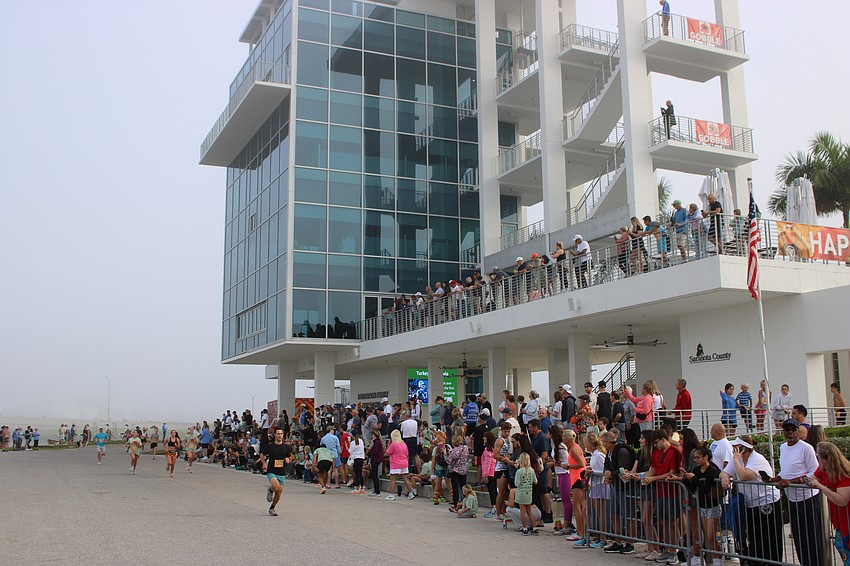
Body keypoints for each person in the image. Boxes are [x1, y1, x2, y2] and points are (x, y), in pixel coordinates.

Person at [720, 436, 783, 564]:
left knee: (769, 537)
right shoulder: (737, 460)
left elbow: (744, 475)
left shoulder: (756, 459)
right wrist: (725, 476)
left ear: (742, 450)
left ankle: (772, 562)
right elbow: (724, 472)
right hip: (749, 504)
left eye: (735, 448)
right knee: (754, 537)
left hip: (766, 502)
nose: (733, 450)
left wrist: (736, 461)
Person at [770, 418, 823, 566]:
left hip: (808, 499)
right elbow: (786, 470)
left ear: (798, 431)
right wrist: (776, 478)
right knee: (799, 539)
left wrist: (792, 482)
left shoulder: (806, 448)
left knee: (811, 539)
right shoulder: (782, 447)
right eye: (787, 430)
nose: (791, 433)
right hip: (792, 499)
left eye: (794, 430)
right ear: (783, 432)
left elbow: (814, 471)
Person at [671, 446, 723, 566]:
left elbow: (705, 489)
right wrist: (685, 479)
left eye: (698, 458)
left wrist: (693, 478)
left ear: (706, 457)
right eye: (695, 458)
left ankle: (718, 561)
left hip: (712, 506)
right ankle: (707, 559)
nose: (696, 460)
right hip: (702, 506)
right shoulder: (697, 470)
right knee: (705, 533)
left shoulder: (712, 470)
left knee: (711, 537)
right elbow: (694, 488)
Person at [642, 428, 682, 565]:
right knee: (663, 522)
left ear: (663, 439)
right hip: (660, 492)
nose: (655, 446)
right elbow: (652, 470)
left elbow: (671, 473)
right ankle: (667, 548)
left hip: (672, 492)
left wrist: (653, 479)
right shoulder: (657, 453)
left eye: (656, 442)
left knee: (672, 522)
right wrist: (639, 475)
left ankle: (675, 550)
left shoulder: (675, 452)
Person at [810, 441, 850, 559]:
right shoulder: (824, 469)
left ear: (825, 459)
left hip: (847, 519)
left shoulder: (845, 474)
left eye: (818, 456)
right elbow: (812, 478)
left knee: (844, 547)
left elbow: (842, 501)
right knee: (841, 546)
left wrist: (820, 486)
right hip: (839, 520)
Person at [259, 428, 292, 516]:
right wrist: (264, 463)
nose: (279, 435)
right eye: (278, 434)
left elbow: (290, 456)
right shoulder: (270, 446)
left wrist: (288, 459)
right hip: (272, 470)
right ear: (274, 435)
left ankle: (272, 508)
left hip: (281, 471)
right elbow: (262, 454)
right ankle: (270, 489)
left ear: (283, 435)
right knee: (275, 486)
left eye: (281, 434)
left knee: (279, 492)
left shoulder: (286, 447)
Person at [385, 429, 415, 501]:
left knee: (393, 479)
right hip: (404, 463)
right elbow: (407, 454)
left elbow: (387, 452)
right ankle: (411, 492)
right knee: (405, 479)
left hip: (395, 463)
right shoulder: (404, 444)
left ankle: (392, 495)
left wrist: (388, 444)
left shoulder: (393, 444)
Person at [513, 452, 538, 535]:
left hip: (521, 493)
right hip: (529, 493)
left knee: (522, 512)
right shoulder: (531, 470)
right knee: (529, 511)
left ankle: (524, 528)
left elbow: (517, 483)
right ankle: (534, 527)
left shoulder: (519, 471)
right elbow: (535, 481)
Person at [368, 425, 384, 497]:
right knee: (374, 474)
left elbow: (375, 451)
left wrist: (369, 452)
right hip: (375, 459)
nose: (372, 436)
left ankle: (377, 490)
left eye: (373, 435)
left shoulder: (377, 442)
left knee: (375, 475)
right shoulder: (376, 442)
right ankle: (376, 489)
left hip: (376, 459)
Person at [348, 429, 366, 494]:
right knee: (360, 472)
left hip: (356, 458)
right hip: (361, 458)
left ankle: (357, 487)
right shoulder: (360, 441)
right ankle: (362, 486)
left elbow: (350, 451)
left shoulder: (353, 443)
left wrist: (347, 445)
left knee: (357, 473)